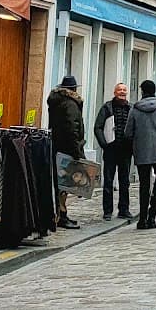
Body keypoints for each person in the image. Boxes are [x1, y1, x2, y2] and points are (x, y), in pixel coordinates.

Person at [125, 78, 156, 230]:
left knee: (144, 185)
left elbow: (128, 132)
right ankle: (152, 218)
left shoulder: (135, 109)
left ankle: (142, 219)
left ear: (142, 92)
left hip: (142, 152)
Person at [47, 74, 86, 229]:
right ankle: (61, 215)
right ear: (74, 89)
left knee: (60, 183)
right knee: (65, 184)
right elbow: (72, 128)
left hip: (57, 145)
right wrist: (77, 151)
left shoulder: (57, 101)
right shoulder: (70, 104)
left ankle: (59, 214)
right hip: (67, 148)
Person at [94, 81, 132, 221]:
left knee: (125, 181)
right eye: (119, 90)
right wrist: (104, 144)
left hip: (125, 151)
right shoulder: (107, 108)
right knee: (108, 181)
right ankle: (107, 211)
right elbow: (98, 127)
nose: (122, 92)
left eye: (124, 90)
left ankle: (124, 209)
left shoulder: (131, 108)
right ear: (115, 92)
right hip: (111, 150)